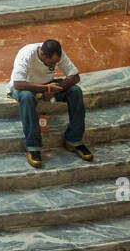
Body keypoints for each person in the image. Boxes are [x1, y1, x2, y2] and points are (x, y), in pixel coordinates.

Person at [10, 39, 90, 169]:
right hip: (25, 87)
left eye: (56, 63)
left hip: (47, 85)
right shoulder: (26, 54)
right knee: (26, 97)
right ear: (42, 54)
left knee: (75, 91)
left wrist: (53, 89)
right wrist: (45, 89)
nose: (54, 65)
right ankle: (33, 147)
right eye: (51, 63)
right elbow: (18, 84)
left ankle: (73, 140)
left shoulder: (57, 53)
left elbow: (75, 77)